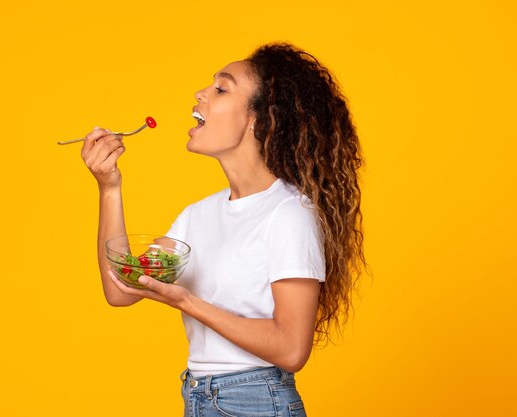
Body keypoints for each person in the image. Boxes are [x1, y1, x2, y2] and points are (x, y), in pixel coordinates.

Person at [81, 42, 369, 417]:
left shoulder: (288, 213)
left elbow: (291, 349)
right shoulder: (197, 216)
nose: (200, 94)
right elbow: (121, 287)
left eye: (221, 88)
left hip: (257, 401)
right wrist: (109, 186)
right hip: (199, 398)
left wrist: (187, 303)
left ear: (259, 119)